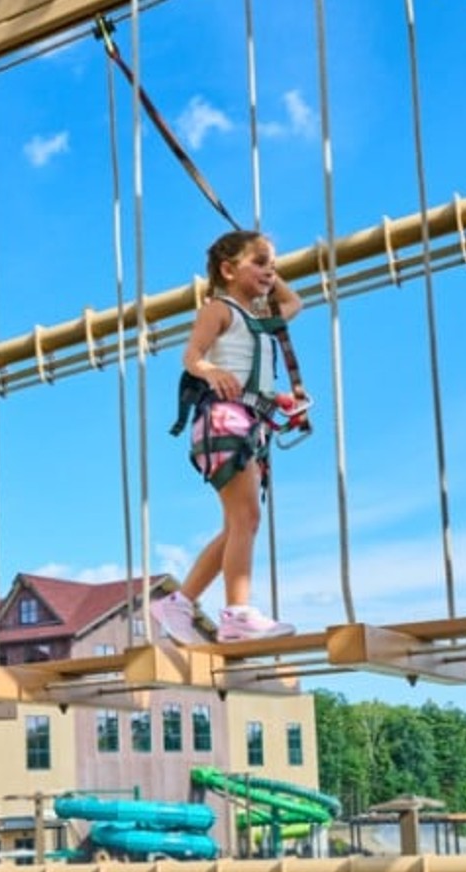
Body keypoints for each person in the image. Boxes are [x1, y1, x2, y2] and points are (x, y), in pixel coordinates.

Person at [149, 230, 306, 645]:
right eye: (259, 262)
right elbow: (192, 355)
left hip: (247, 423)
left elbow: (294, 303)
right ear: (227, 269)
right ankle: (236, 613)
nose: (269, 272)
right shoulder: (219, 309)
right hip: (225, 420)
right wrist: (209, 371)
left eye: (272, 265)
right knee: (246, 519)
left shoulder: (258, 321)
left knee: (239, 524)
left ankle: (179, 603)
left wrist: (268, 266)